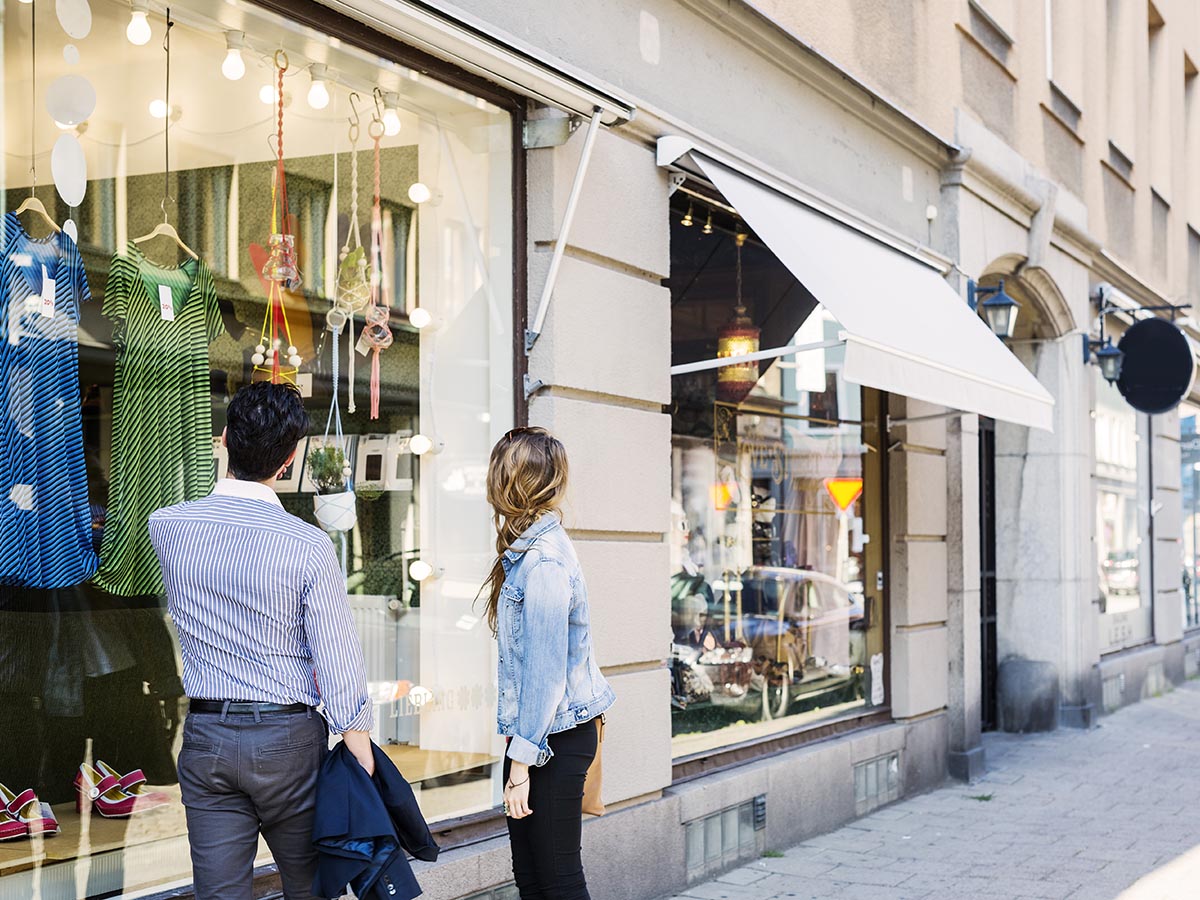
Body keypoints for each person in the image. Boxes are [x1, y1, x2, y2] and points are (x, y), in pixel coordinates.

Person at [149, 381, 374, 900]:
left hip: (206, 735)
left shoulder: (168, 527)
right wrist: (358, 746)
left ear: (222, 439)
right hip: (288, 740)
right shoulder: (309, 545)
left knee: (220, 892)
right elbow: (336, 654)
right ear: (290, 461)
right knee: (310, 887)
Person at [481, 426, 616, 900]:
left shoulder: (542, 563)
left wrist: (519, 766)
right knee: (535, 878)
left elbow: (544, 676)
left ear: (508, 483)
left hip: (551, 739)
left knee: (555, 879)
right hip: (537, 738)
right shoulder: (529, 552)